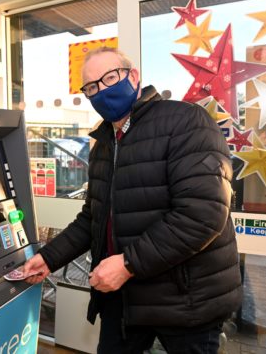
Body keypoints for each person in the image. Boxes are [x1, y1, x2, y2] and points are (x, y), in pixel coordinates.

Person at [23, 47, 242, 354]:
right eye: (91, 87)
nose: (101, 90)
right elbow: (93, 219)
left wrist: (127, 264)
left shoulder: (185, 122)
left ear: (133, 76)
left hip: (186, 300)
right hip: (123, 300)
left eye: (110, 78)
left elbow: (202, 215)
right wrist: (49, 258)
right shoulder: (103, 145)